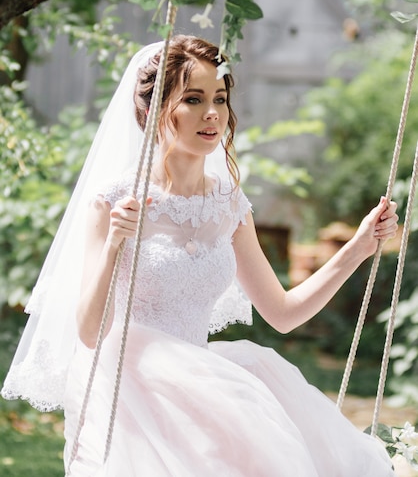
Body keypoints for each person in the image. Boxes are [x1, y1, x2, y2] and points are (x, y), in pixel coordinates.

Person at [2, 34, 398, 476]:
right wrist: (115, 243)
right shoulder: (115, 200)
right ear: (153, 112)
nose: (212, 113)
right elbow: (91, 333)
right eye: (193, 99)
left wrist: (358, 248)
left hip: (203, 384)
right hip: (130, 390)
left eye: (220, 98)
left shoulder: (229, 204)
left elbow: (283, 313)